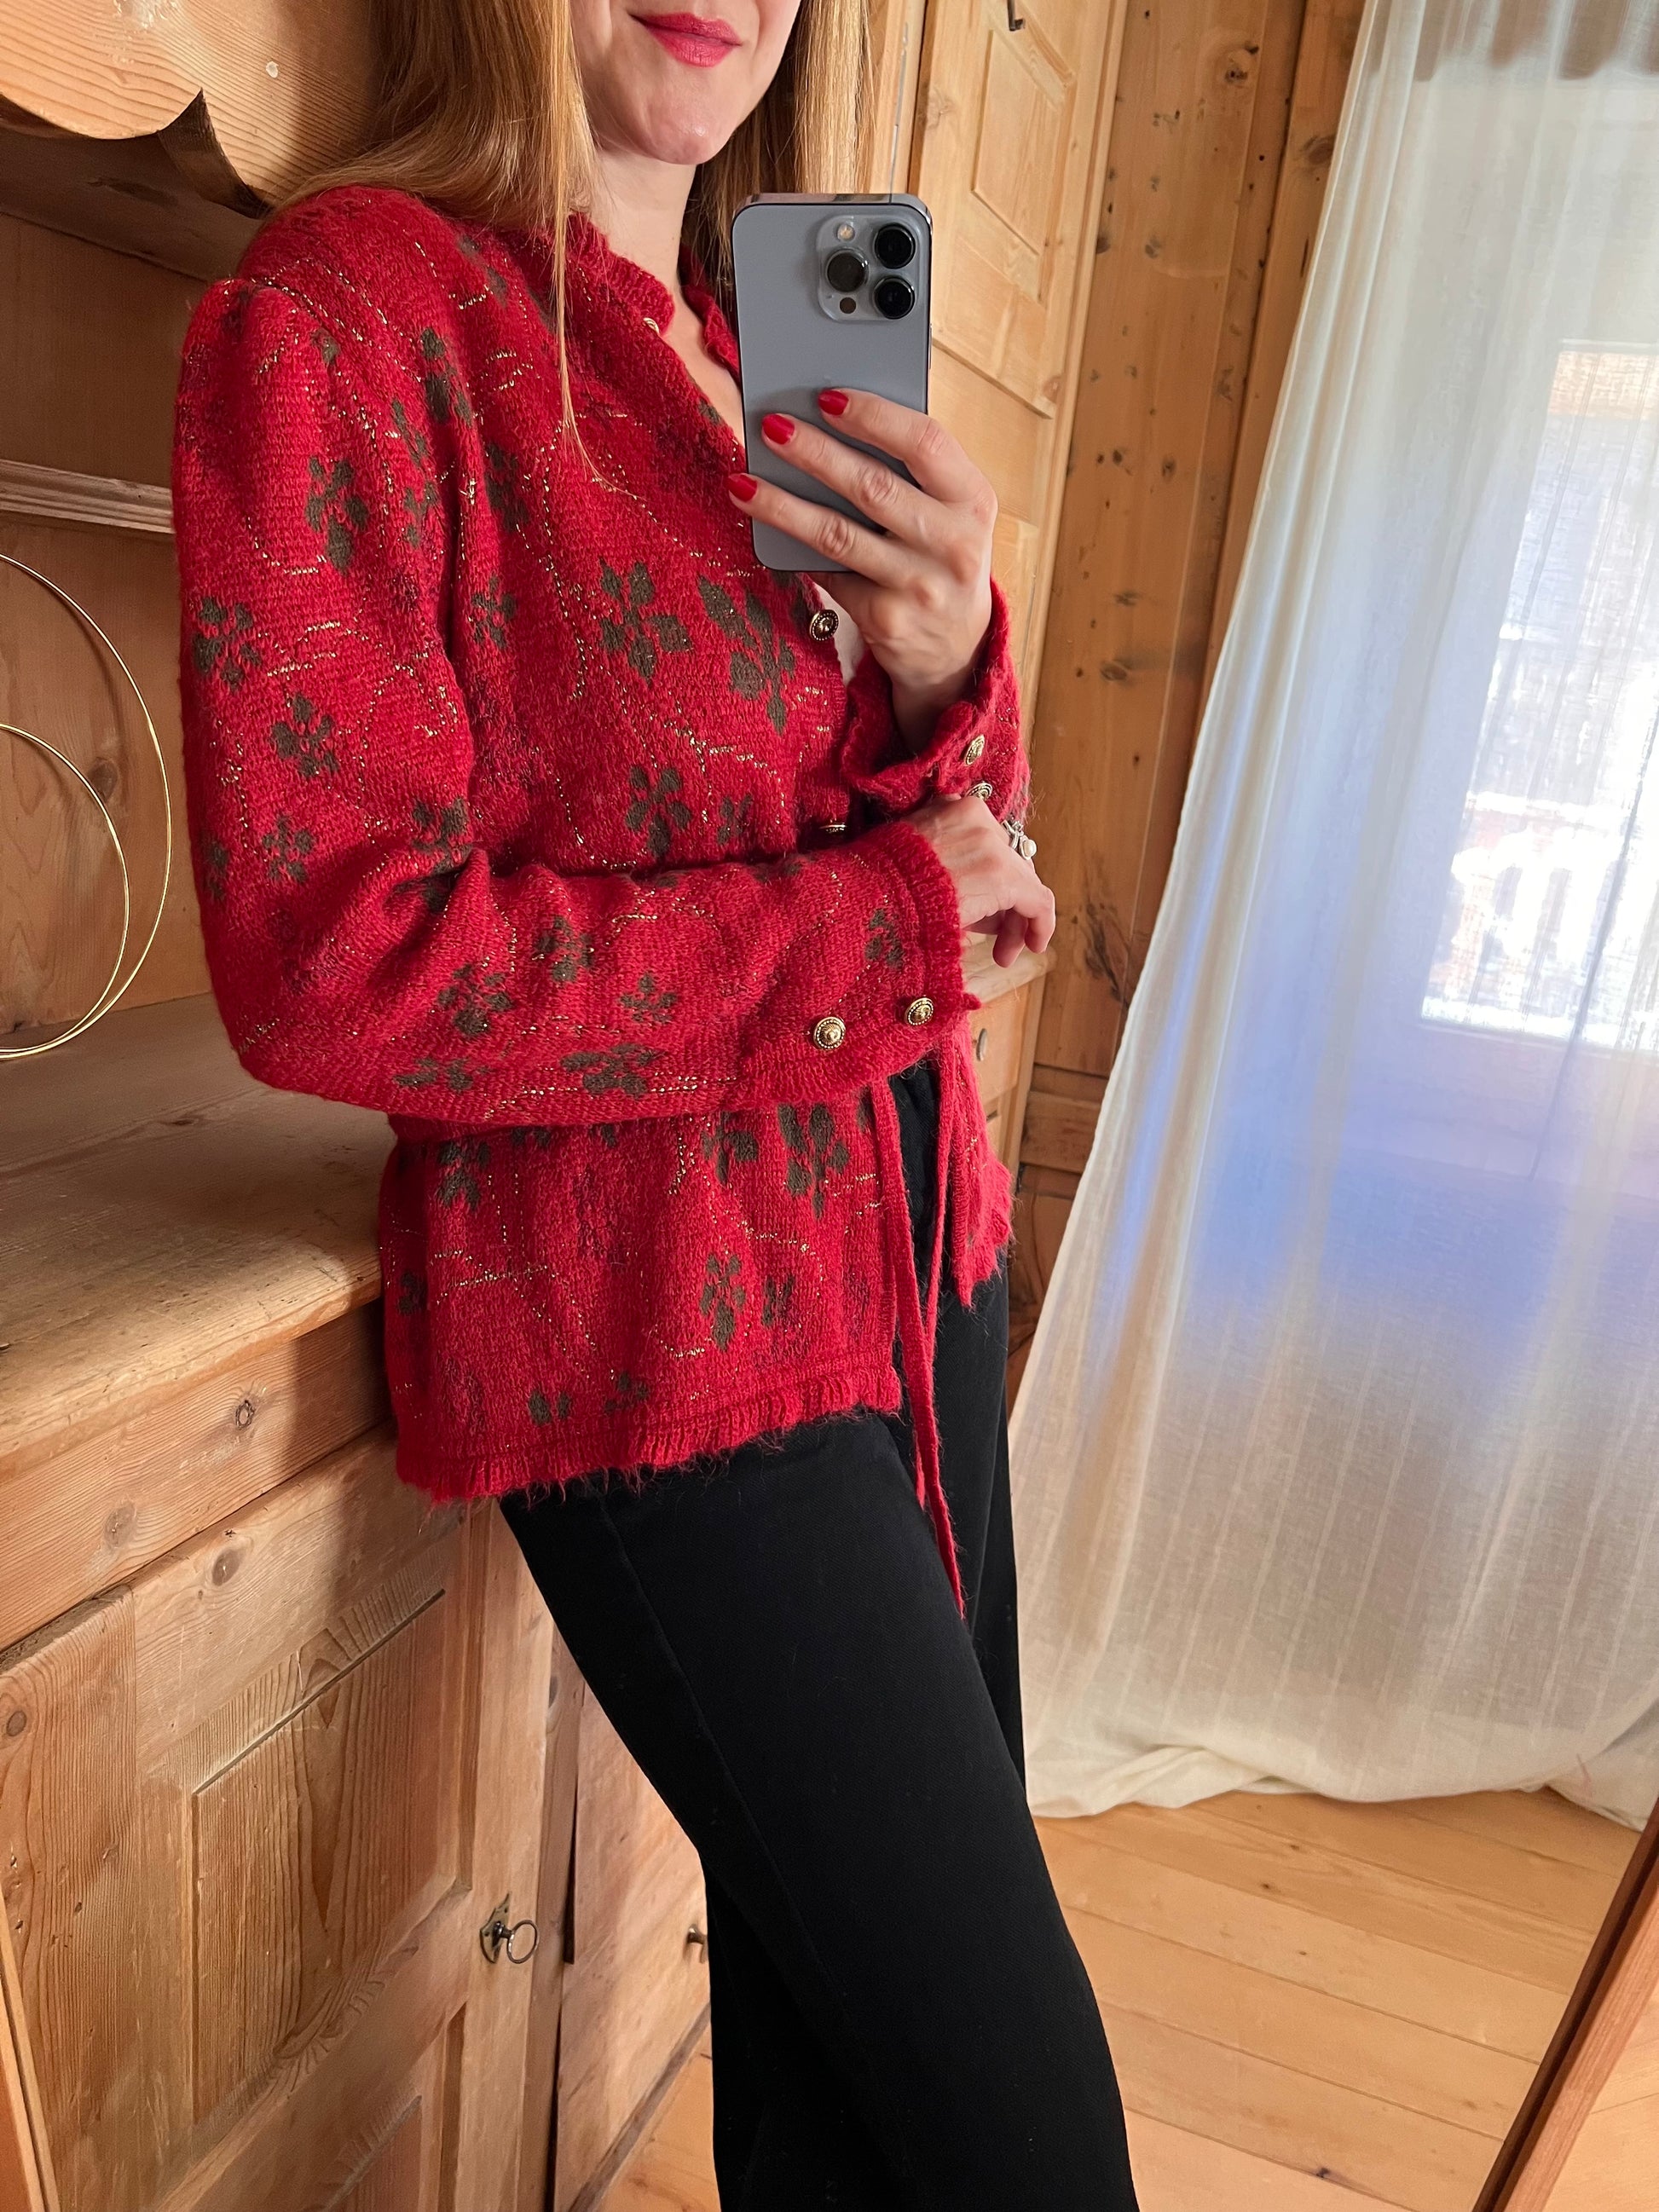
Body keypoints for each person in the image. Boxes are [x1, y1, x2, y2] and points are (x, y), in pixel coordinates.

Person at [172, 2, 1140, 2203]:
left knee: (841, 2095)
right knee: (1022, 2142)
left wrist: (947, 665)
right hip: (667, 1345)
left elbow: (963, 869)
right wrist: (878, 925)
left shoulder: (750, 342)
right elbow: (333, 954)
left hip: (925, 1260)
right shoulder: (349, 314)